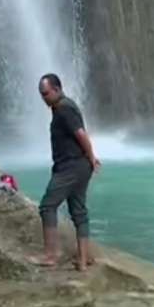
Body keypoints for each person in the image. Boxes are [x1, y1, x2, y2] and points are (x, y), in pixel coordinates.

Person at [30, 74, 100, 272]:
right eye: (41, 95)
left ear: (57, 89)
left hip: (71, 167)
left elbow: (80, 134)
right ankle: (83, 261)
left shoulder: (64, 109)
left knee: (47, 206)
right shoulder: (63, 106)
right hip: (78, 165)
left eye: (46, 93)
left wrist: (92, 157)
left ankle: (51, 255)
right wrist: (89, 159)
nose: (43, 98)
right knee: (79, 211)